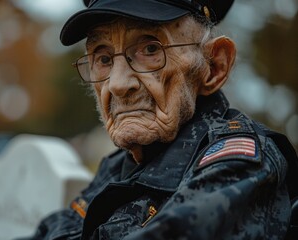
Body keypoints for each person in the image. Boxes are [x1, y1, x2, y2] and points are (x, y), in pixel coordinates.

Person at [21, 0, 298, 239]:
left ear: (214, 67)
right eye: (103, 58)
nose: (117, 84)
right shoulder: (118, 164)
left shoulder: (240, 163)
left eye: (151, 49)